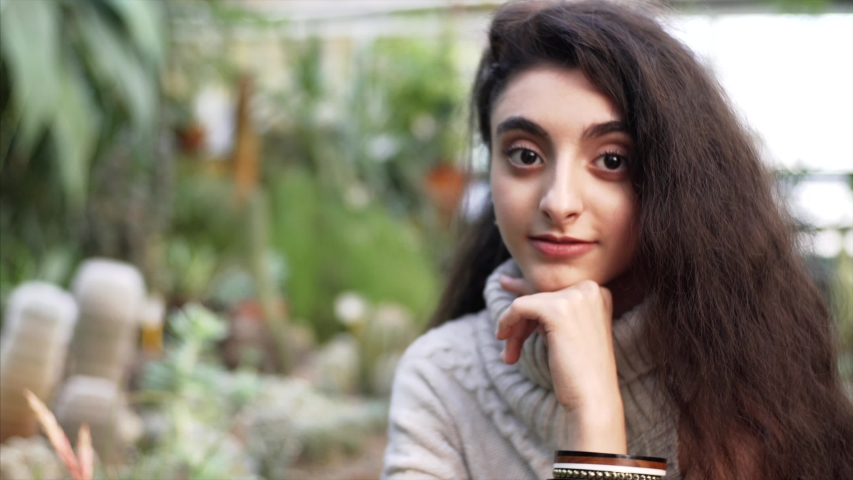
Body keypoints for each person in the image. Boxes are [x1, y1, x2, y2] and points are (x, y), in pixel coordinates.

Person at [381, 1, 853, 479]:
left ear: (672, 182)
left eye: (611, 161)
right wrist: (594, 423)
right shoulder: (442, 376)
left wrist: (597, 410)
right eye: (525, 154)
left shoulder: (743, 378)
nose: (559, 201)